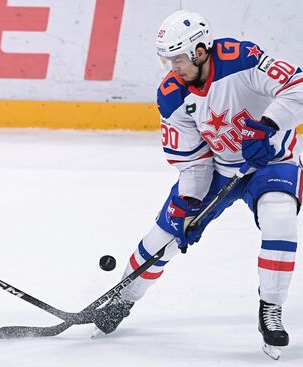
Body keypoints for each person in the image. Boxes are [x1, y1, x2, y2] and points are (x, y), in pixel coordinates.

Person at [94, 10, 303, 359]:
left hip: (271, 160)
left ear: (201, 51)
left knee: (279, 217)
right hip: (219, 168)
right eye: (167, 60)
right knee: (167, 234)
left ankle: (271, 308)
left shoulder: (242, 59)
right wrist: (189, 204)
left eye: (178, 59)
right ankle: (122, 299)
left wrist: (267, 124)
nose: (172, 68)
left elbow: (298, 84)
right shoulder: (173, 94)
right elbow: (193, 160)